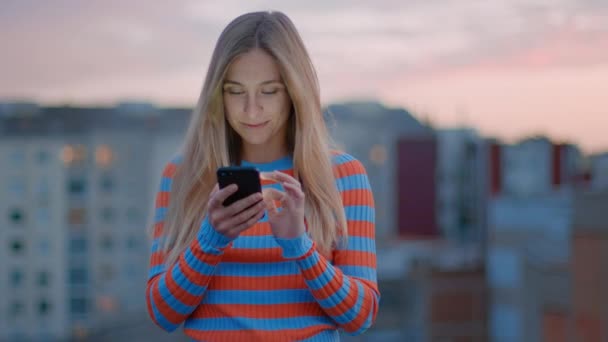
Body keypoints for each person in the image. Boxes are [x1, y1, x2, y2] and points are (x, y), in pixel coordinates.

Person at [146, 11, 379, 341]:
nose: (251, 110)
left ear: (295, 92)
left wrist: (300, 247)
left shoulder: (343, 176)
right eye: (235, 91)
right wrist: (210, 240)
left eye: (269, 91)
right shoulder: (184, 176)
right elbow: (162, 313)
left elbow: (361, 317)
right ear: (217, 96)